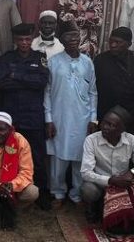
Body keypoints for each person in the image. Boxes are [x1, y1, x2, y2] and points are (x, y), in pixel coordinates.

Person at [0, 23, 52, 210]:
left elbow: (42, 82)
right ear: (15, 40)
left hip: (33, 116)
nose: (24, 43)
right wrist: (29, 77)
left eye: (27, 39)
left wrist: (17, 76)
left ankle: (41, 193)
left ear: (31, 39)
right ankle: (10, 193)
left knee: (37, 156)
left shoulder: (40, 57)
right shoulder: (7, 58)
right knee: (10, 156)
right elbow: (3, 84)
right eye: (20, 39)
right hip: (12, 117)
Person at [45, 25, 98, 206]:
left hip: (83, 118)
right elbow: (47, 92)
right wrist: (48, 119)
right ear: (61, 40)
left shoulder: (87, 62)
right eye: (68, 36)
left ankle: (77, 194)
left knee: (80, 157)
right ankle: (58, 193)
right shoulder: (53, 62)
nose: (73, 39)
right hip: (59, 117)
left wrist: (93, 118)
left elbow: (93, 92)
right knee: (58, 158)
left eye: (75, 35)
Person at [80, 107, 134, 226]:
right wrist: (110, 180)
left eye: (111, 125)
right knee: (88, 190)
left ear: (122, 129)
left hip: (124, 184)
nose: (105, 127)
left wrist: (133, 172)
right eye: (104, 122)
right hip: (102, 184)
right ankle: (94, 209)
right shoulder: (91, 140)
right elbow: (86, 173)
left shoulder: (131, 140)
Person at [94, 27, 134, 124]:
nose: (113, 45)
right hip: (105, 115)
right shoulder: (100, 60)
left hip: (130, 116)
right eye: (111, 41)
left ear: (129, 44)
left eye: (118, 42)